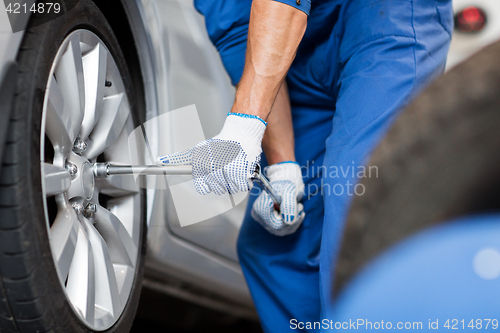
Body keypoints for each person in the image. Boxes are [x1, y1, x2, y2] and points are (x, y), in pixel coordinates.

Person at [158, 0, 452, 331]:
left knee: (357, 200)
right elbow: (243, 41)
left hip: (384, 22)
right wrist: (283, 169)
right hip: (293, 47)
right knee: (275, 246)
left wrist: (243, 127)